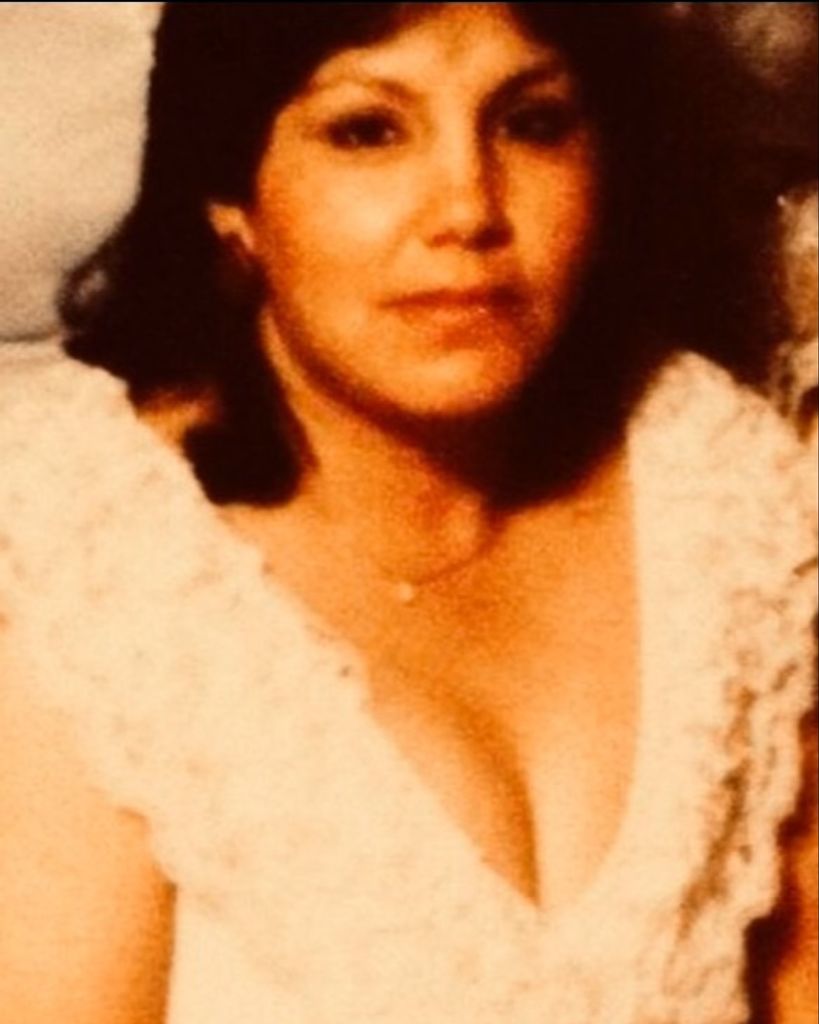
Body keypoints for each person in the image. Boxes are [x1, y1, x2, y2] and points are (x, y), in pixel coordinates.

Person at [0, 4, 815, 1022]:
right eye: (368, 131)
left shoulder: (712, 482)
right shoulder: (78, 558)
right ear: (229, 192)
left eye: (531, 123)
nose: (468, 208)